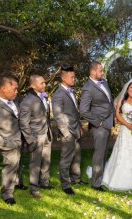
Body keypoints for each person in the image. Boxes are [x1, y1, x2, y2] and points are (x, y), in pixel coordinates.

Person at [0, 75, 25, 205]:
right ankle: (7, 194)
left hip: (18, 137)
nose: (17, 91)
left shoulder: (12, 97)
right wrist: (10, 144)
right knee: (10, 166)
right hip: (8, 141)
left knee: (18, 162)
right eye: (15, 89)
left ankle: (18, 183)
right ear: (4, 88)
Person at [80, 61, 115, 192]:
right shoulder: (88, 88)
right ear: (93, 72)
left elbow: (109, 100)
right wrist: (98, 122)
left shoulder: (104, 82)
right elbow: (83, 110)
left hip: (108, 123)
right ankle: (96, 184)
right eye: (100, 70)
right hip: (99, 126)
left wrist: (113, 116)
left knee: (104, 152)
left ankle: (101, 177)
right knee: (99, 155)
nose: (102, 72)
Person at [52, 65, 87, 196]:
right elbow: (58, 116)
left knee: (77, 155)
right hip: (67, 132)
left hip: (76, 129)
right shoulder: (58, 94)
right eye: (71, 77)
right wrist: (66, 133)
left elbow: (74, 112)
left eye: (74, 76)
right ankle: (66, 185)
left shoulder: (71, 91)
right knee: (66, 159)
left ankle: (76, 179)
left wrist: (79, 126)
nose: (74, 79)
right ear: (63, 78)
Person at [19, 75, 53, 199]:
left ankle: (44, 183)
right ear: (32, 86)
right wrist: (30, 140)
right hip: (35, 137)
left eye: (44, 82)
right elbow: (23, 123)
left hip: (47, 134)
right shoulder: (27, 101)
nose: (44, 85)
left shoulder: (45, 96)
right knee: (35, 164)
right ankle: (34, 188)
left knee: (46, 160)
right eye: (41, 83)